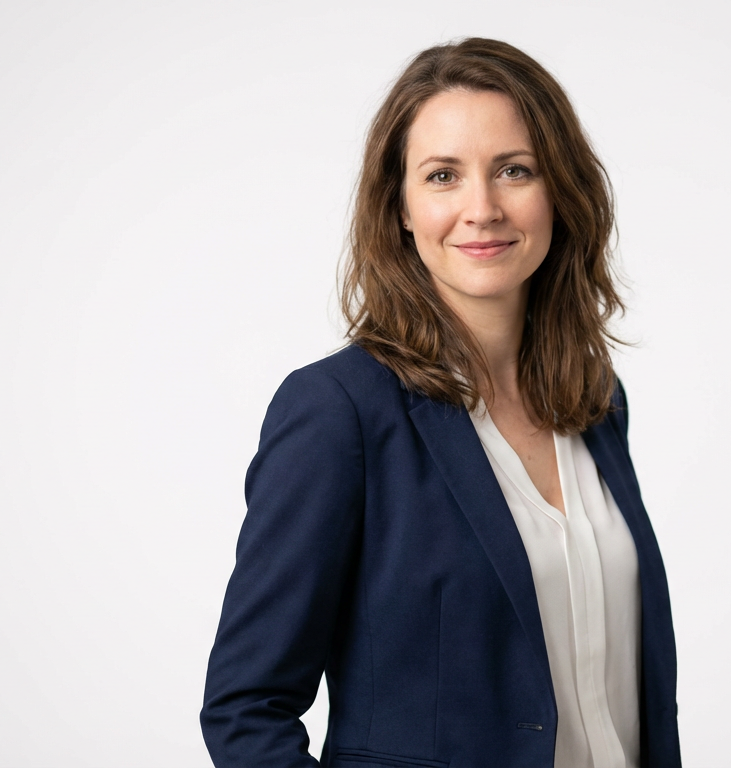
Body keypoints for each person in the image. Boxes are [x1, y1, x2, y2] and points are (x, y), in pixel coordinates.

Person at [201, 38, 679, 768]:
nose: (481, 208)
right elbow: (246, 708)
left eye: (515, 170)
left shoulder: (595, 401)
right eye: (443, 176)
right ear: (400, 206)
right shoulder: (338, 412)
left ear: (560, 191)